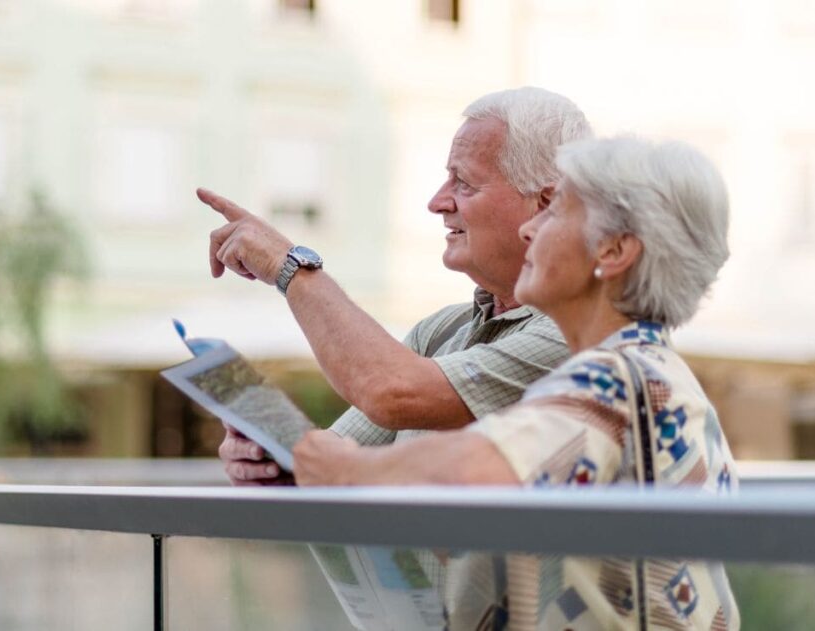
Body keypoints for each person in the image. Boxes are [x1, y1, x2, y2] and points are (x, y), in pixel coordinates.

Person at [293, 136, 740, 630]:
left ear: (613, 251)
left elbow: (477, 469)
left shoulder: (614, 379)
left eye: (555, 213)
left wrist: (351, 470)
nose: (529, 229)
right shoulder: (655, 372)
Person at [199, 87, 592, 485]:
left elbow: (391, 393)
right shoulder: (441, 331)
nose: (437, 202)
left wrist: (290, 265)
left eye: (464, 183)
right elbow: (328, 463)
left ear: (547, 202)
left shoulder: (577, 337)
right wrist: (272, 459)